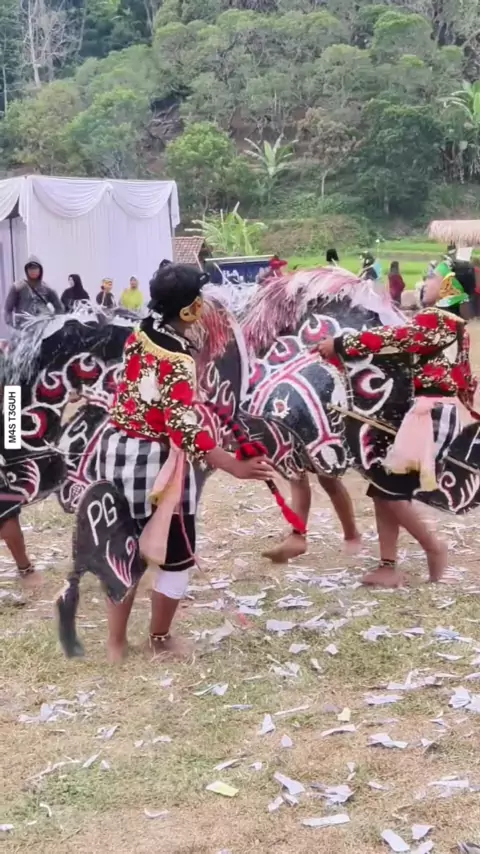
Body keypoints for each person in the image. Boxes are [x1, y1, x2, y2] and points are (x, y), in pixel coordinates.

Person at [97, 261, 275, 662]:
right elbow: (182, 429)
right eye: (199, 300)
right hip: (157, 461)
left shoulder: (140, 333)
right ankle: (159, 638)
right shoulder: (178, 358)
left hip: (118, 452)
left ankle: (115, 644)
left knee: (123, 551)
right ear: (188, 310)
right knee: (176, 553)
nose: (204, 305)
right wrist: (232, 464)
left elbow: (151, 396)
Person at [316, 268, 476, 589]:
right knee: (384, 489)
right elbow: (464, 379)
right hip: (433, 413)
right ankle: (387, 565)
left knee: (389, 491)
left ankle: (433, 546)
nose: (425, 283)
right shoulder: (457, 326)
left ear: (449, 286)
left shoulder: (436, 320)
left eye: (433, 278)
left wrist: (342, 343)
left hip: (428, 416)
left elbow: (397, 338)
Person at [4, 257, 63, 327]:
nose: (33, 271)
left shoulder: (47, 289)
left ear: (40, 270)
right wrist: (12, 324)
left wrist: (55, 322)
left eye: (35, 268)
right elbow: (7, 309)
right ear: (26, 270)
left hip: (44, 327)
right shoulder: (17, 287)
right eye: (30, 268)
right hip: (23, 328)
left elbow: (60, 309)